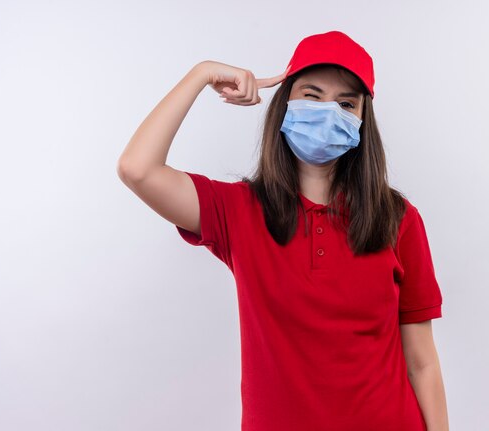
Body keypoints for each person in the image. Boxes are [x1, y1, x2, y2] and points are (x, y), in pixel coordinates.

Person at [117, 30, 449, 431]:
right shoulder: (237, 211)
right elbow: (138, 169)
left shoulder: (397, 218)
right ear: (285, 102)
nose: (328, 111)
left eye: (346, 103)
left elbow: (422, 362)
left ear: (362, 121)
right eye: (312, 94)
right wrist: (202, 73)